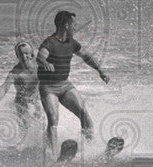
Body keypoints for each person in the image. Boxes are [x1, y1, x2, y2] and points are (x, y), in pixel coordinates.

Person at [37, 9, 109, 155]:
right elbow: (40, 56)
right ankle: (51, 154)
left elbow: (86, 56)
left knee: (84, 115)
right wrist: (44, 62)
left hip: (65, 84)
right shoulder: (49, 42)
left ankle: (90, 149)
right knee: (53, 119)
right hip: (48, 87)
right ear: (66, 26)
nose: (76, 27)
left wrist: (100, 70)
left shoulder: (72, 42)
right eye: (74, 24)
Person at [0, 41, 41, 137]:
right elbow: (5, 87)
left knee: (41, 119)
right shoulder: (15, 73)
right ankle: (22, 145)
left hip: (36, 98)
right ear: (17, 56)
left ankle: (41, 141)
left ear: (32, 54)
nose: (24, 57)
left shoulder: (40, 67)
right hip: (21, 102)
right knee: (24, 124)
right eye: (21, 54)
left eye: (26, 53)